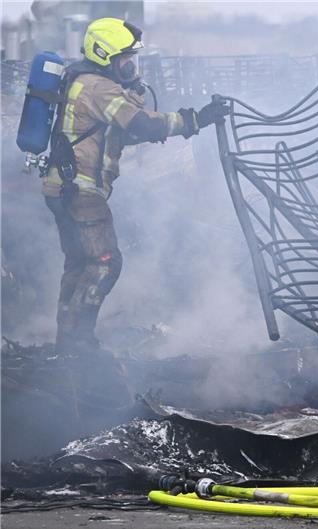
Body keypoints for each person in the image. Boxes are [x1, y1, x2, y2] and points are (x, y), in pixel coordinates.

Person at [43, 18, 228, 353]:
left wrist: (135, 101)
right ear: (104, 55)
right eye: (124, 59)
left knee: (78, 263)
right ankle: (80, 343)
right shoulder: (98, 87)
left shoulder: (83, 82)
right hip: (82, 190)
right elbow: (142, 126)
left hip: (62, 188)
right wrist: (195, 120)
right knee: (105, 261)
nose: (130, 66)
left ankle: (66, 342)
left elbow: (118, 134)